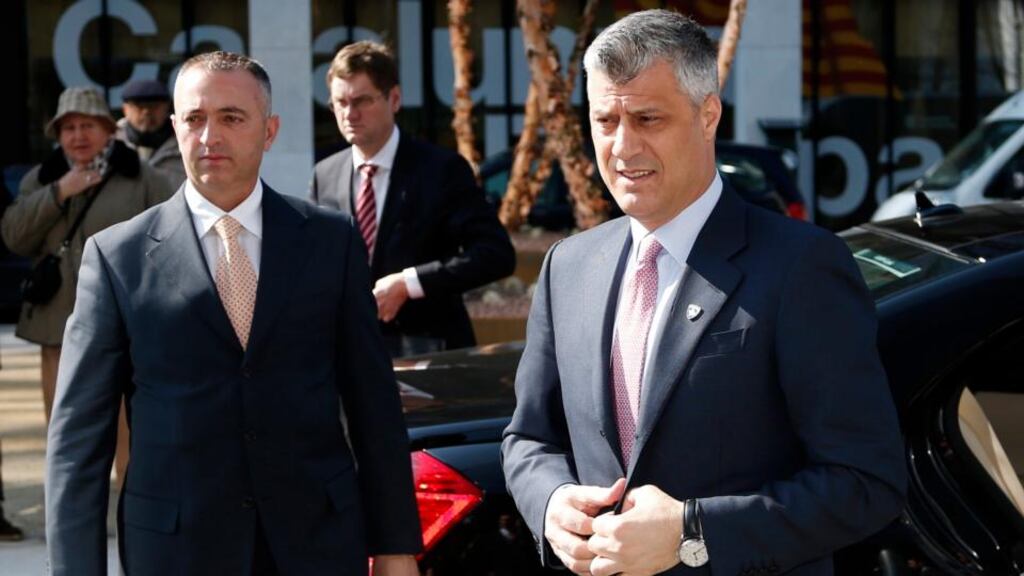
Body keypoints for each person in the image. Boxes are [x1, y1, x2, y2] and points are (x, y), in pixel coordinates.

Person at [501, 11, 906, 576]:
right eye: (604, 120)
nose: (622, 146)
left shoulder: (801, 266)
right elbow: (528, 438)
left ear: (708, 114)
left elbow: (868, 481)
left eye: (647, 118)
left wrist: (693, 533)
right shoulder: (569, 265)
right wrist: (550, 505)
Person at [45, 51, 421, 576]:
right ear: (175, 128)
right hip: (177, 551)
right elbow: (78, 442)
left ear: (269, 131)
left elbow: (373, 405)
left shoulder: (329, 241)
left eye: (231, 118)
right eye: (195, 119)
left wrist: (396, 544)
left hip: (317, 543)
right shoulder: (117, 257)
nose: (209, 137)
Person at [310, 41, 515, 357]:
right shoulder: (325, 174)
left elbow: (495, 254)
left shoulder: (441, 169)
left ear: (394, 98)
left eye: (362, 100)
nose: (350, 113)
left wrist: (410, 283)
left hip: (429, 354)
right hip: (350, 357)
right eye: (340, 102)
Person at [0, 87, 173, 427]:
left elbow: (172, 238)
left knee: (127, 429)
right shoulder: (42, 178)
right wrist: (59, 191)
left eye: (87, 126)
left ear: (109, 130)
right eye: (69, 128)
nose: (78, 136)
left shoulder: (142, 177)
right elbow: (14, 237)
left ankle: (124, 481)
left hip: (124, 320)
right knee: (64, 428)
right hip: (56, 325)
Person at [116, 78, 187, 187]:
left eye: (154, 106)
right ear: (125, 109)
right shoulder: (108, 145)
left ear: (167, 107)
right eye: (139, 107)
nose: (146, 112)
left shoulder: (187, 145)